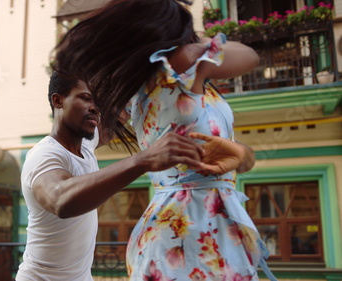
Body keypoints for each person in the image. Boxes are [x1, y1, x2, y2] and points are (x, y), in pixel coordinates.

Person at [53, 0, 277, 280]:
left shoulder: (148, 84)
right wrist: (198, 44)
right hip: (190, 229)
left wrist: (242, 155)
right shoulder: (183, 65)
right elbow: (249, 56)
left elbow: (237, 160)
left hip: (198, 226)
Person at [16, 71, 214, 281]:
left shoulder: (86, 144)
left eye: (97, 101)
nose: (94, 107)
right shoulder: (44, 154)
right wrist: (144, 160)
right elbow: (59, 199)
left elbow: (119, 116)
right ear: (58, 101)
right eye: (85, 98)